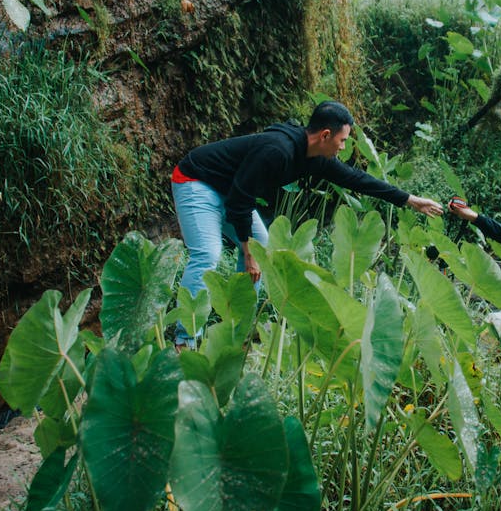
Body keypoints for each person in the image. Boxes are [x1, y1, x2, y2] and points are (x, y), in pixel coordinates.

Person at [170, 100, 444, 345]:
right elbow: (241, 200)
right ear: (325, 135)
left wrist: (410, 200)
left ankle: (235, 333)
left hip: (232, 190)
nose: (344, 147)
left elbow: (356, 179)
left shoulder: (313, 157)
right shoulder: (277, 151)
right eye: (343, 140)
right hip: (197, 181)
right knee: (208, 254)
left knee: (262, 252)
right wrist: (247, 252)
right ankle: (185, 340)